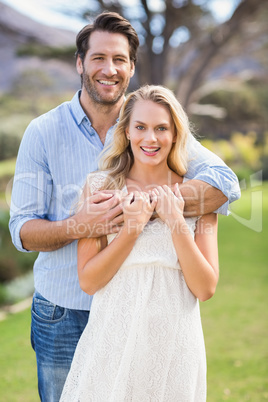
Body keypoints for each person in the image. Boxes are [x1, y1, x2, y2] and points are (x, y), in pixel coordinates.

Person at [9, 11, 240, 402]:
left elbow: (224, 184)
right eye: (98, 57)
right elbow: (21, 230)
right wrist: (82, 225)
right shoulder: (42, 133)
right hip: (63, 312)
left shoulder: (147, 120)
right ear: (80, 63)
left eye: (119, 59)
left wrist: (148, 205)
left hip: (150, 317)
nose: (109, 68)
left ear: (131, 68)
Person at [60, 84, 219, 401]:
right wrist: (131, 228)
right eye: (141, 127)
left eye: (162, 128)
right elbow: (89, 281)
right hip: (113, 340)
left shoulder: (200, 195)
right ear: (127, 132)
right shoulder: (99, 188)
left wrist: (176, 222)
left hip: (175, 345)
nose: (151, 138)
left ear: (175, 134)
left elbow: (205, 288)